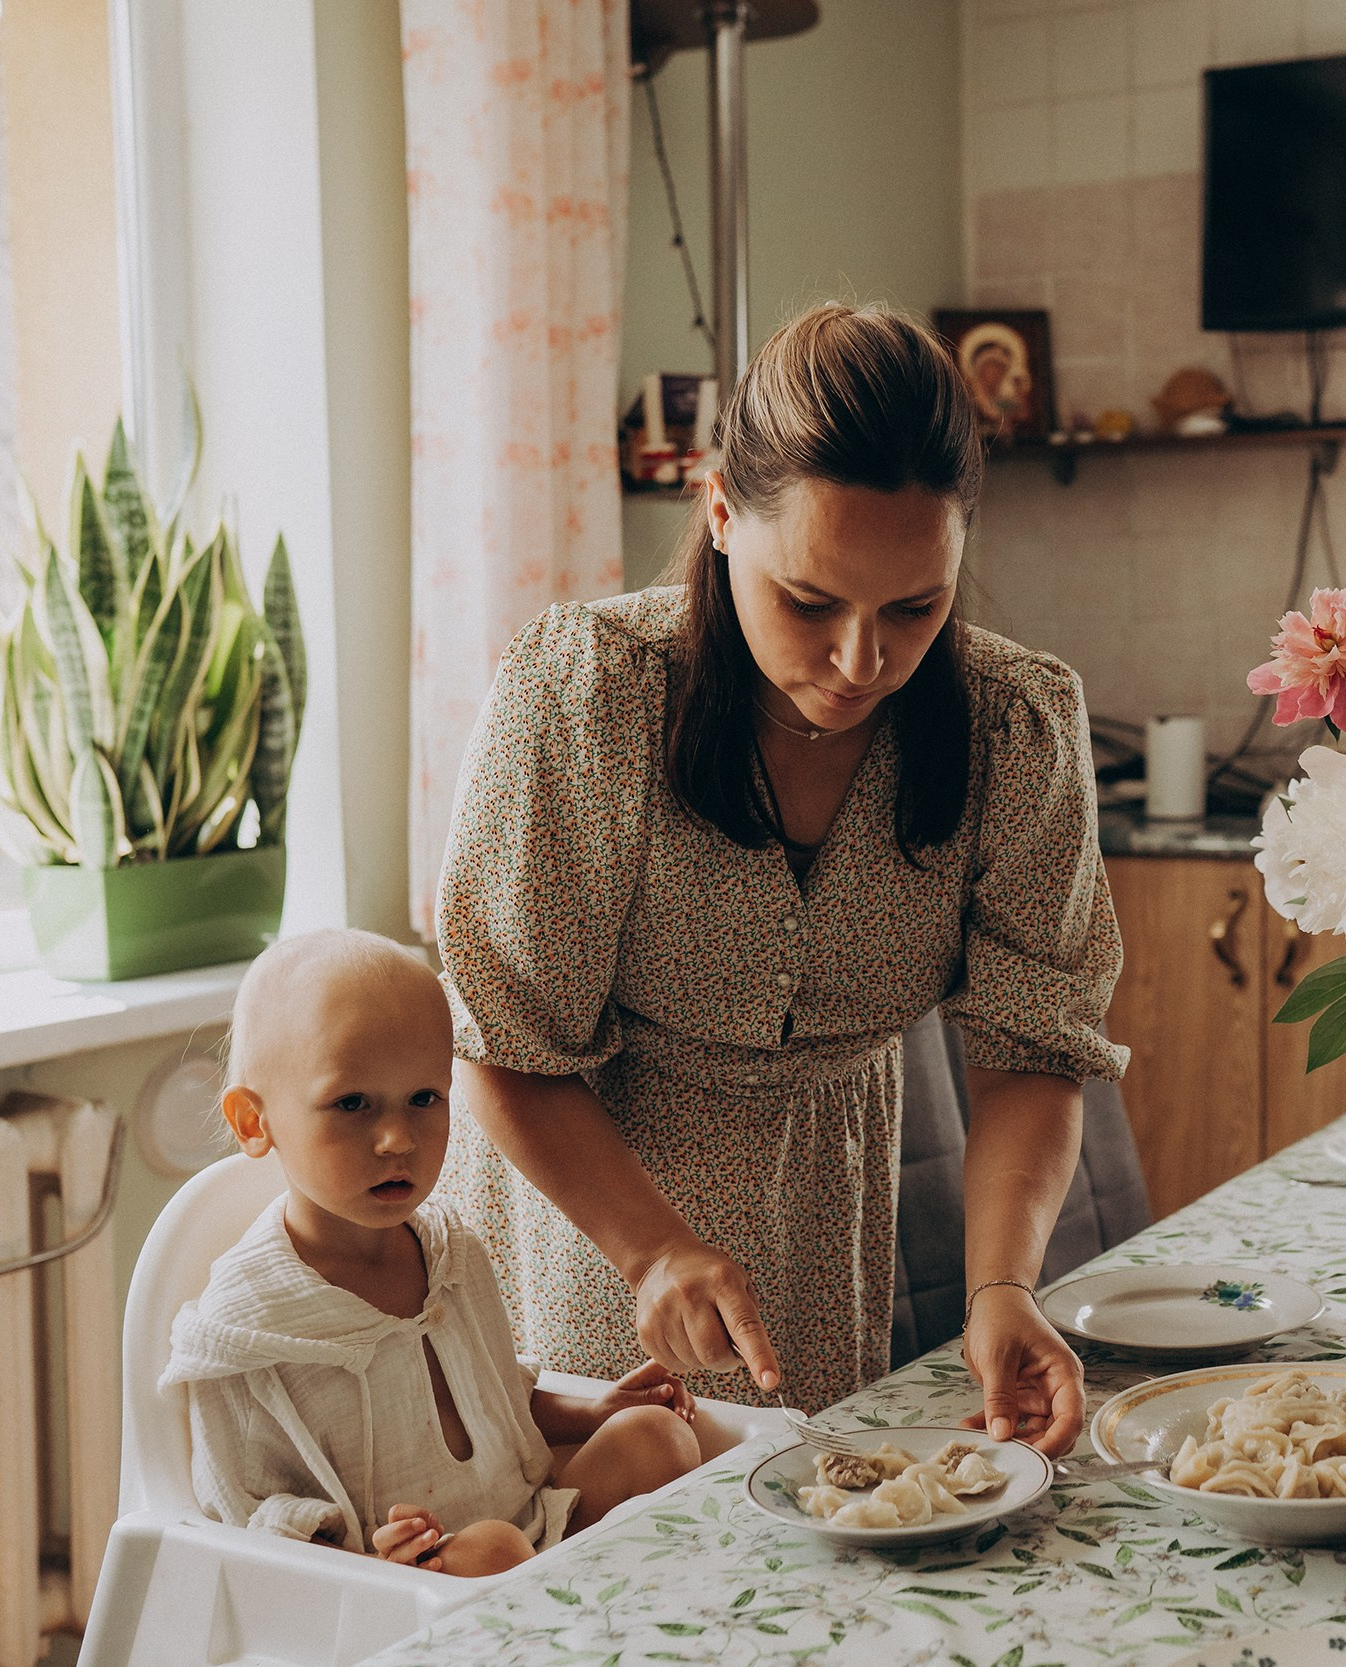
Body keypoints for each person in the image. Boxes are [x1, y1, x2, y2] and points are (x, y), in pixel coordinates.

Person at [435, 302, 1126, 1452]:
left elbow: (1032, 1047)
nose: (863, 661)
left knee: (785, 1560)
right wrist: (651, 1245)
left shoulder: (1016, 725)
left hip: (822, 1213)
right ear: (717, 513)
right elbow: (501, 1045)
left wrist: (1003, 1285)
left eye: (915, 606)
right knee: (599, 1541)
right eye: (809, 601)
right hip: (582, 1204)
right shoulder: (586, 697)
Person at [163, 931, 707, 1577]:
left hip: (530, 1527)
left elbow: (494, 1401)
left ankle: (585, 1615)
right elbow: (239, 1504)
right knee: (496, 1549)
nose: (397, 1138)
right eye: (352, 1103)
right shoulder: (245, 1323)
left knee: (656, 1437)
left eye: (424, 1098)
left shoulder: (450, 1251)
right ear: (255, 1122)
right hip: (399, 1578)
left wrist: (596, 1412)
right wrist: (365, 1553)